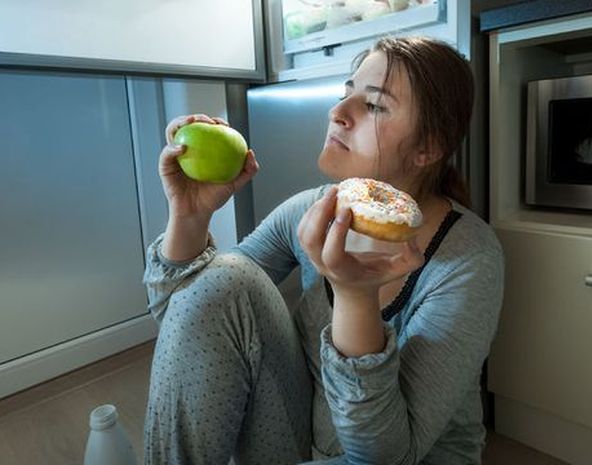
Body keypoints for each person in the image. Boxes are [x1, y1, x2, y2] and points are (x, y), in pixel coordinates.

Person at [143, 36, 504, 465]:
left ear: (428, 147)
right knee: (225, 277)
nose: (337, 112)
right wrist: (188, 215)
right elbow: (189, 319)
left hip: (405, 457)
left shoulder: (468, 259)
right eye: (345, 93)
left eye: (373, 105)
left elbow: (385, 456)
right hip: (304, 435)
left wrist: (355, 297)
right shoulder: (311, 209)